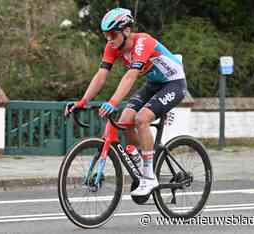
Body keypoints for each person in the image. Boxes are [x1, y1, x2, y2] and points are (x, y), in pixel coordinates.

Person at [65, 8, 187, 196]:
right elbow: (101, 75)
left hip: (174, 84)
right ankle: (140, 161)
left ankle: (149, 177)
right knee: (125, 120)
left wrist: (113, 101)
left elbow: (130, 76)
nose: (109, 40)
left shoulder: (142, 42)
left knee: (141, 119)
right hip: (154, 84)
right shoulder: (112, 47)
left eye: (112, 35)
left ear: (126, 31)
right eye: (106, 36)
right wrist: (83, 101)